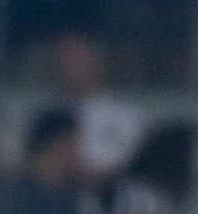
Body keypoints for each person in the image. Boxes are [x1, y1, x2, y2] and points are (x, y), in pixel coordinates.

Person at [47, 31, 142, 187]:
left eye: (78, 61)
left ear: (96, 63)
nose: (71, 69)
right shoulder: (47, 112)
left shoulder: (123, 116)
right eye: (66, 61)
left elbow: (133, 164)